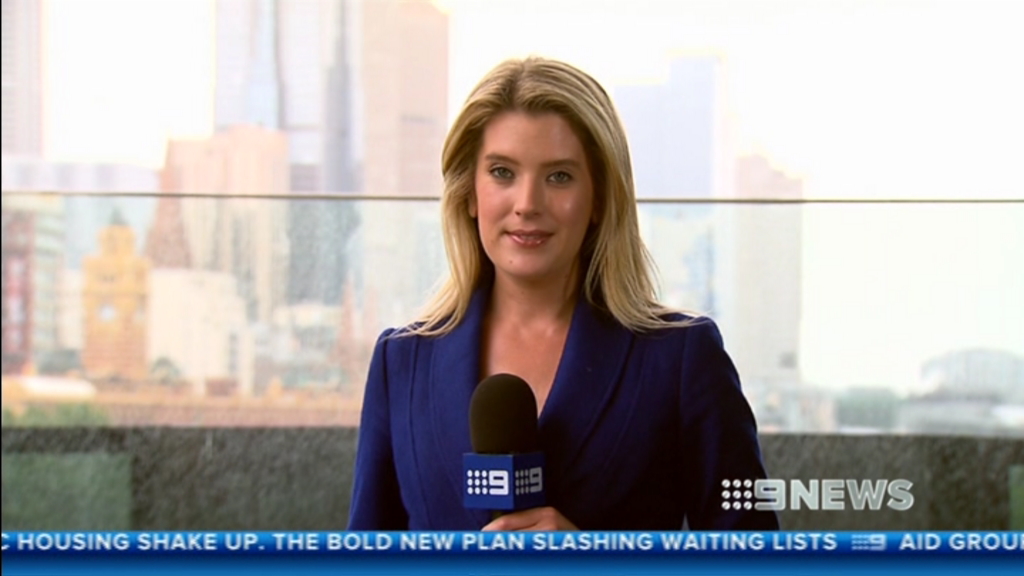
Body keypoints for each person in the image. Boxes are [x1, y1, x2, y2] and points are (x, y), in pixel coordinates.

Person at [348, 56, 779, 531]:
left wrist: (594, 559)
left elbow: (754, 556)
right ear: (469, 192)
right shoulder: (401, 363)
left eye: (559, 176)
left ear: (599, 198)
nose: (527, 204)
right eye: (502, 172)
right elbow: (362, 557)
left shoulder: (680, 359)